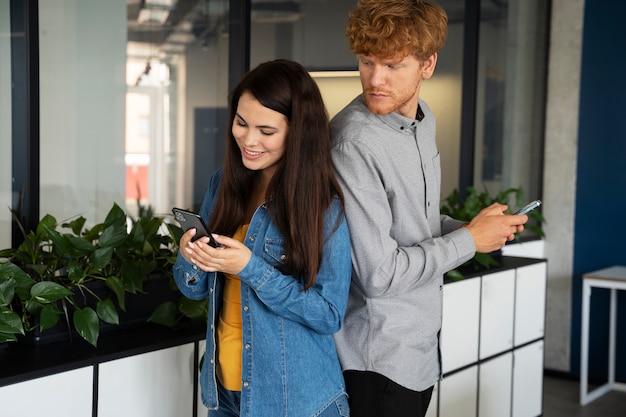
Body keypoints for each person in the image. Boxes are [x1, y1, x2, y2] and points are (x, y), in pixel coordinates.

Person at [329, 1, 529, 416]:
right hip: (376, 361)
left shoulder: (424, 122)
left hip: (419, 352)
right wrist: (469, 240)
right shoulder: (353, 143)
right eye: (366, 62)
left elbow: (413, 223)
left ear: (427, 64)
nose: (375, 79)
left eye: (392, 65)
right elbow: (379, 276)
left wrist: (473, 228)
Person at [173, 59, 352, 417]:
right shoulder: (222, 185)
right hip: (225, 396)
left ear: (297, 132)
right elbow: (191, 288)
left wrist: (251, 269)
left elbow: (329, 313)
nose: (249, 139)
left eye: (266, 131)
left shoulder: (322, 206)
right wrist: (191, 255)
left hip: (296, 403)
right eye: (241, 123)